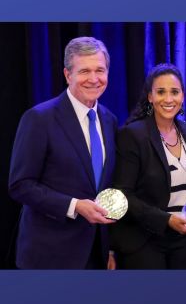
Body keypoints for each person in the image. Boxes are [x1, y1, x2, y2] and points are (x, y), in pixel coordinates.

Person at [8, 36, 117, 269]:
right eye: (84, 71)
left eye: (100, 70)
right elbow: (20, 185)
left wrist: (110, 248)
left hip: (96, 254)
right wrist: (75, 206)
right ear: (68, 75)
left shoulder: (109, 120)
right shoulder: (39, 119)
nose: (94, 79)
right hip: (50, 255)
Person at [110, 63, 186, 269]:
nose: (168, 99)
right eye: (161, 92)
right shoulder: (132, 135)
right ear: (150, 96)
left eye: (174, 92)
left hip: (181, 241)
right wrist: (166, 220)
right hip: (143, 241)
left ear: (183, 96)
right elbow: (122, 195)